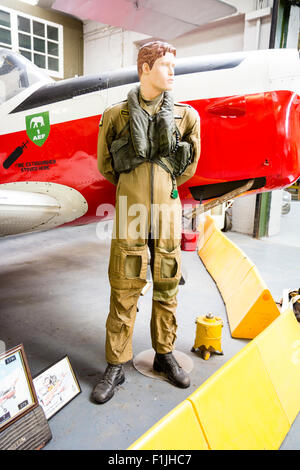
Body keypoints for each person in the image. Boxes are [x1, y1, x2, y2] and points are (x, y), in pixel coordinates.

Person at [93, 41, 200, 404]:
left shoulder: (186, 117)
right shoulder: (116, 116)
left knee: (167, 285)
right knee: (124, 286)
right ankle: (115, 363)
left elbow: (189, 166)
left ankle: (164, 354)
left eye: (174, 65)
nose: (172, 72)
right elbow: (106, 165)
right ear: (145, 68)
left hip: (167, 214)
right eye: (166, 65)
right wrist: (136, 189)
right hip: (130, 212)